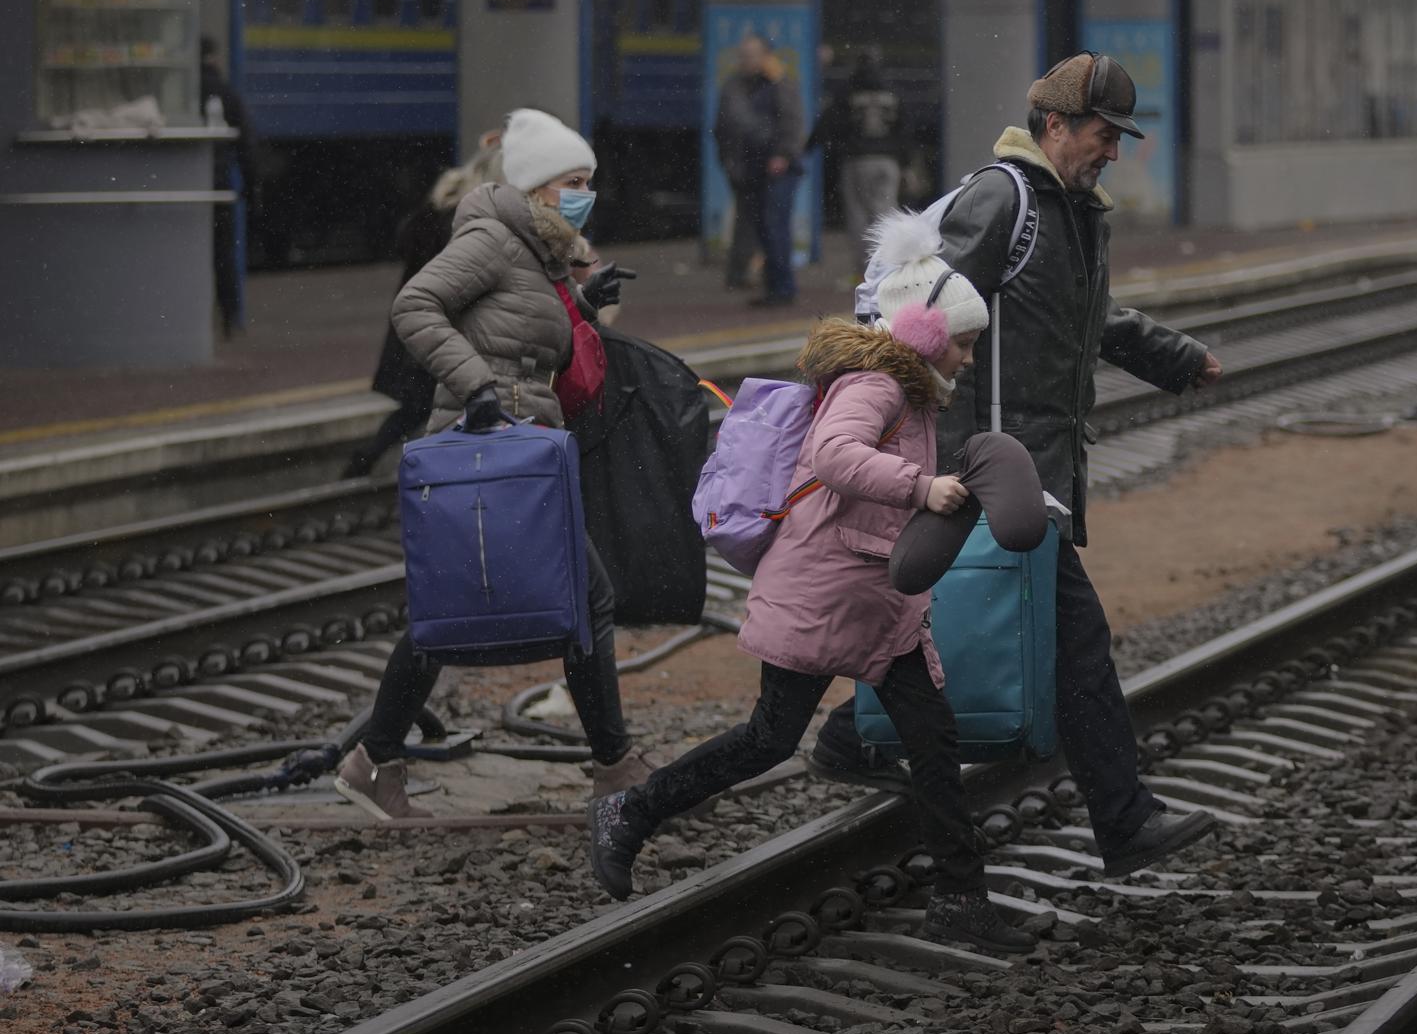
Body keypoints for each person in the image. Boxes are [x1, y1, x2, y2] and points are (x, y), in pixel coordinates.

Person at [810, 51, 1226, 880]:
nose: (1112, 152)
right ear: (1055, 126)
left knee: (951, 629)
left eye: (1118, 139)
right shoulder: (1005, 200)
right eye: (1104, 135)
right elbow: (925, 316)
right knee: (1074, 646)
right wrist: (932, 448)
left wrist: (1176, 358)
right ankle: (1124, 820)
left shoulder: (1073, 211)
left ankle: (846, 737)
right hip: (992, 465)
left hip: (1022, 466)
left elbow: (1093, 319)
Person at [588, 214, 1044, 953]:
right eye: (962, 340)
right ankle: (632, 811)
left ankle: (961, 897)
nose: (968, 356)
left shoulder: (910, 391)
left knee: (931, 737)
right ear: (925, 333)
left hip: (874, 599)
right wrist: (920, 488)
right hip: (826, 590)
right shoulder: (876, 385)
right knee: (769, 738)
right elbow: (834, 455)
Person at [335, 108, 655, 819]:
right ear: (538, 186)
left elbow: (514, 322)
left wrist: (581, 299)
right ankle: (613, 763)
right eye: (573, 181)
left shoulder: (536, 248)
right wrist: (477, 383)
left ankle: (373, 757)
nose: (584, 195)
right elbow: (416, 305)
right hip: (484, 442)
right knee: (550, 602)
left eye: (589, 182)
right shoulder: (489, 236)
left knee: (457, 608)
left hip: (518, 450)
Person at [342, 135, 504, 480]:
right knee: (439, 404)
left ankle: (367, 462)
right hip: (442, 328)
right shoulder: (470, 219)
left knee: (418, 406)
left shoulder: (441, 205)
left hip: (418, 326)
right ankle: (426, 478)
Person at [713, 33, 805, 305]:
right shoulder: (734, 86)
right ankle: (773, 287)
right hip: (749, 169)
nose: (747, 60)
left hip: (778, 169)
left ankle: (783, 288)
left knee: (775, 226)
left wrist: (782, 154)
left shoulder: (779, 83)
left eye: (753, 54)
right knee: (762, 228)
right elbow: (723, 127)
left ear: (767, 55)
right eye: (743, 55)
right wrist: (730, 162)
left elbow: (793, 121)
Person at [808, 48, 908, 283]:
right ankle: (892, 267)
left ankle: (867, 272)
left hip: (858, 159)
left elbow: (829, 123)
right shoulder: (892, 90)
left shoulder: (848, 90)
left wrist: (810, 146)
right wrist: (903, 160)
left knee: (859, 217)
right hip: (888, 161)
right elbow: (906, 129)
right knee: (886, 212)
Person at [200, 36, 256, 339]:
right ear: (215, 58)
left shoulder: (183, 93)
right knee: (224, 254)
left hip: (190, 187)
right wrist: (250, 187)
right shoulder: (227, 93)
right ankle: (231, 317)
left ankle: (190, 317)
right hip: (219, 184)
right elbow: (247, 143)